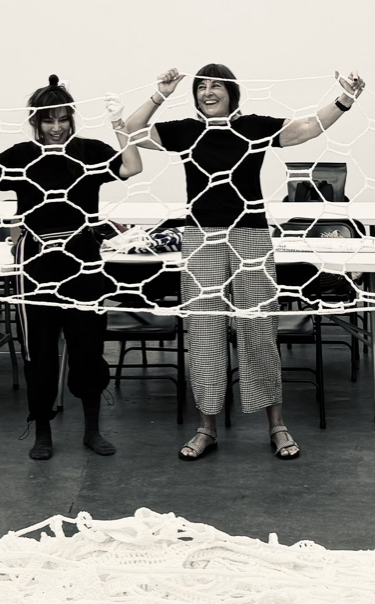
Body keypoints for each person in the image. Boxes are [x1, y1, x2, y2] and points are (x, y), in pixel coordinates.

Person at [126, 65, 365, 461]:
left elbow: (308, 128)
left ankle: (277, 426)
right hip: (201, 238)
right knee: (204, 334)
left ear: (232, 92)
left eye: (216, 85)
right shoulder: (185, 131)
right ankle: (206, 429)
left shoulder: (253, 127)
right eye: (201, 86)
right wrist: (161, 93)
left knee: (259, 330)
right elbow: (132, 130)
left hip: (250, 236)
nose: (207, 92)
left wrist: (346, 99)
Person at [0, 75, 142, 460]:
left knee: (88, 345)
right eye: (48, 120)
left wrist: (119, 124)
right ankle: (42, 431)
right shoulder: (22, 155)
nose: (56, 128)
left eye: (63, 119)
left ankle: (92, 430)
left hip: (83, 258)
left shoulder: (88, 151)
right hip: (37, 260)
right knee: (39, 348)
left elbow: (132, 167)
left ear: (71, 119)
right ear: (35, 122)